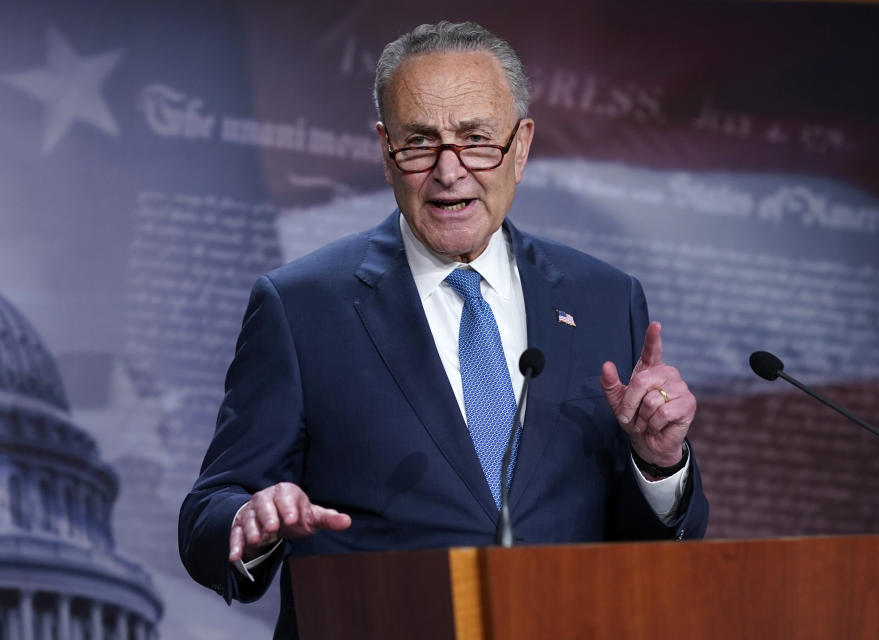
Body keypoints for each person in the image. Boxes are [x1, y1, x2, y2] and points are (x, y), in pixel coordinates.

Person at [179, 21, 708, 639]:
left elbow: (644, 542)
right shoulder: (301, 306)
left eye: (477, 139)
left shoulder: (604, 298)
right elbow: (208, 512)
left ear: (521, 145)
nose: (449, 170)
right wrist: (249, 517)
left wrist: (658, 462)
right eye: (419, 142)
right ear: (385, 150)